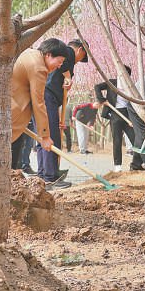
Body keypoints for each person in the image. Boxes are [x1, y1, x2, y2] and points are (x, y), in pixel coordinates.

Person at [0, 38, 65, 180]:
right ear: (48, 55)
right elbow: (38, 102)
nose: (59, 66)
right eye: (59, 62)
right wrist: (45, 136)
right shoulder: (39, 67)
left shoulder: (30, 53)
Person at [39, 39, 89, 187]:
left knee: (44, 136)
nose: (78, 61)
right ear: (80, 50)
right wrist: (68, 76)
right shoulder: (68, 52)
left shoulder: (62, 58)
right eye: (82, 58)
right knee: (50, 136)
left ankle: (44, 174)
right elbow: (65, 66)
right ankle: (50, 177)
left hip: (48, 98)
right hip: (48, 98)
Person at [95, 65, 138, 172]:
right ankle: (117, 166)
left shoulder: (131, 86)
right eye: (120, 74)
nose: (121, 76)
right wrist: (102, 99)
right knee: (117, 140)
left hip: (128, 114)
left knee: (135, 139)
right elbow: (97, 87)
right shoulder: (112, 83)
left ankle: (137, 163)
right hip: (114, 113)